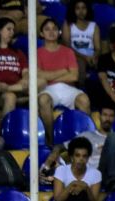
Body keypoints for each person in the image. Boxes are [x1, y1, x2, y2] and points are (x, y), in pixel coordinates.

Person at [38, 18, 92, 147]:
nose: (51, 32)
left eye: (54, 29)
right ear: (41, 34)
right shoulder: (37, 52)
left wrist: (50, 76)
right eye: (47, 29)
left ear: (59, 32)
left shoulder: (68, 51)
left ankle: (85, 141)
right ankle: (50, 140)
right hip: (47, 88)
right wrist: (63, 71)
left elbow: (73, 76)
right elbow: (38, 75)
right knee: (43, 100)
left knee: (84, 100)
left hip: (68, 88)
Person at [48, 137, 102, 201]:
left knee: (81, 193)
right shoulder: (61, 170)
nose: (81, 159)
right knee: (75, 194)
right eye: (77, 155)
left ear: (88, 158)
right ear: (72, 157)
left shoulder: (95, 173)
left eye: (84, 156)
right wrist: (71, 185)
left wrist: (86, 187)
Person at [0, 18, 30, 115]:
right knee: (10, 97)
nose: (12, 32)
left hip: (17, 88)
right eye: (9, 29)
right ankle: (5, 129)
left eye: (13, 30)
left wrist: (23, 81)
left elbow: (25, 73)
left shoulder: (18, 53)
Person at [63, 0, 101, 83]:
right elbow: (67, 46)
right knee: (80, 63)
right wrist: (84, 57)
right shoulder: (68, 24)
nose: (81, 11)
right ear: (73, 10)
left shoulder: (94, 26)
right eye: (77, 8)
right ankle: (81, 89)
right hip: (74, 54)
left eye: (84, 8)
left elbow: (98, 48)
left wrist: (94, 56)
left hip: (90, 55)